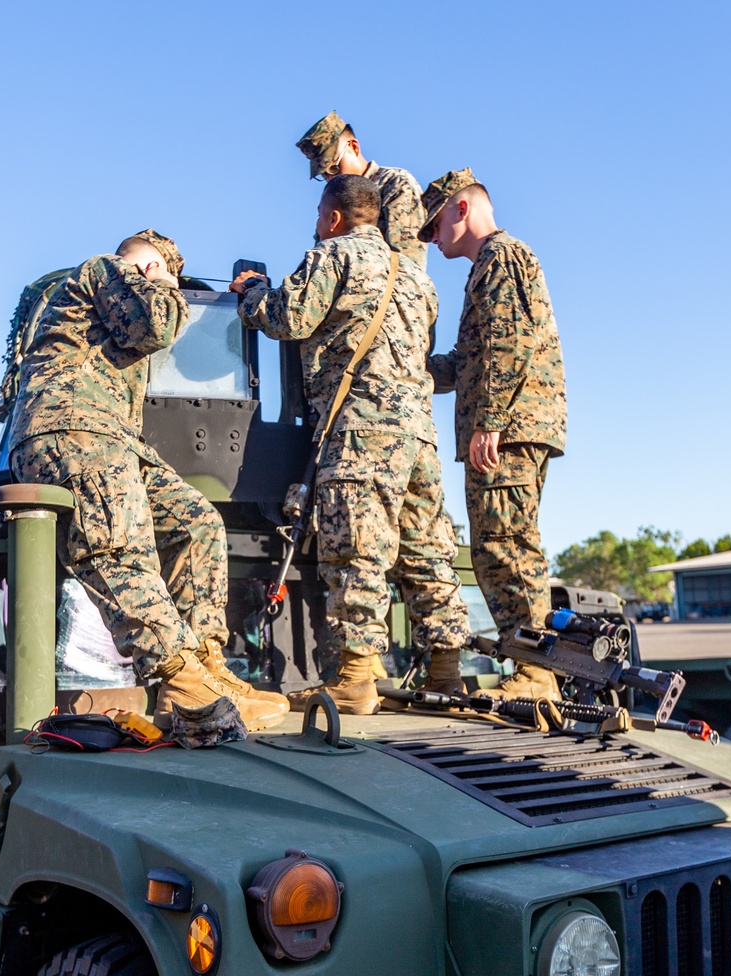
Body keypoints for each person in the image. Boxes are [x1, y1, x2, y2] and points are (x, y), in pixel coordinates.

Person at [7, 230, 290, 730]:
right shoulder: (106, 269)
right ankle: (181, 682)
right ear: (154, 263)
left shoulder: (117, 293)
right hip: (71, 429)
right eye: (168, 273)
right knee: (120, 545)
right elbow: (157, 326)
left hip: (112, 438)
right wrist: (162, 281)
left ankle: (206, 668)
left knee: (197, 521)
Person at [230, 175, 469, 715]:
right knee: (428, 550)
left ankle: (357, 680)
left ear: (334, 217)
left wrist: (251, 293)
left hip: (360, 431)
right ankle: (446, 674)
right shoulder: (415, 277)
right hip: (418, 435)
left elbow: (287, 318)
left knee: (356, 549)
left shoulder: (331, 256)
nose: (316, 223)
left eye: (319, 213)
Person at [421, 170, 567, 702]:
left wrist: (490, 423)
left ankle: (536, 672)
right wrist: (405, 369)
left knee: (504, 545)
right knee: (501, 544)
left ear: (461, 209)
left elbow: (510, 343)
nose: (432, 240)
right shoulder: (490, 264)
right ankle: (534, 666)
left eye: (434, 224)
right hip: (514, 423)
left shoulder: (501, 256)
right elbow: (468, 361)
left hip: (510, 428)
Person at [296, 111, 427, 267]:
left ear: (353, 147)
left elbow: (407, 262)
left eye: (334, 168)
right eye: (323, 174)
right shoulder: (333, 200)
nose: (330, 178)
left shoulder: (395, 184)